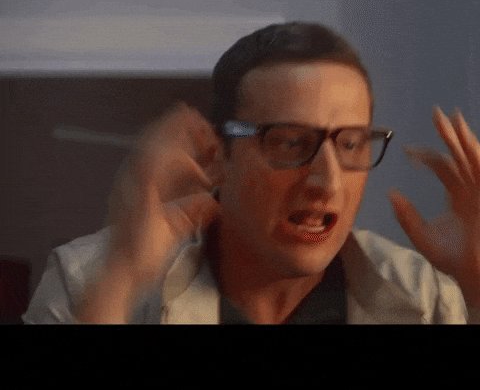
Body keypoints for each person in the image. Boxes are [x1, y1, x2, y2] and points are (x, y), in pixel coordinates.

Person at [23, 21, 480, 324]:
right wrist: (122, 278)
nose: (328, 182)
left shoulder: (427, 298)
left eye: (350, 144)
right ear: (217, 155)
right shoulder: (85, 281)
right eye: (289, 142)